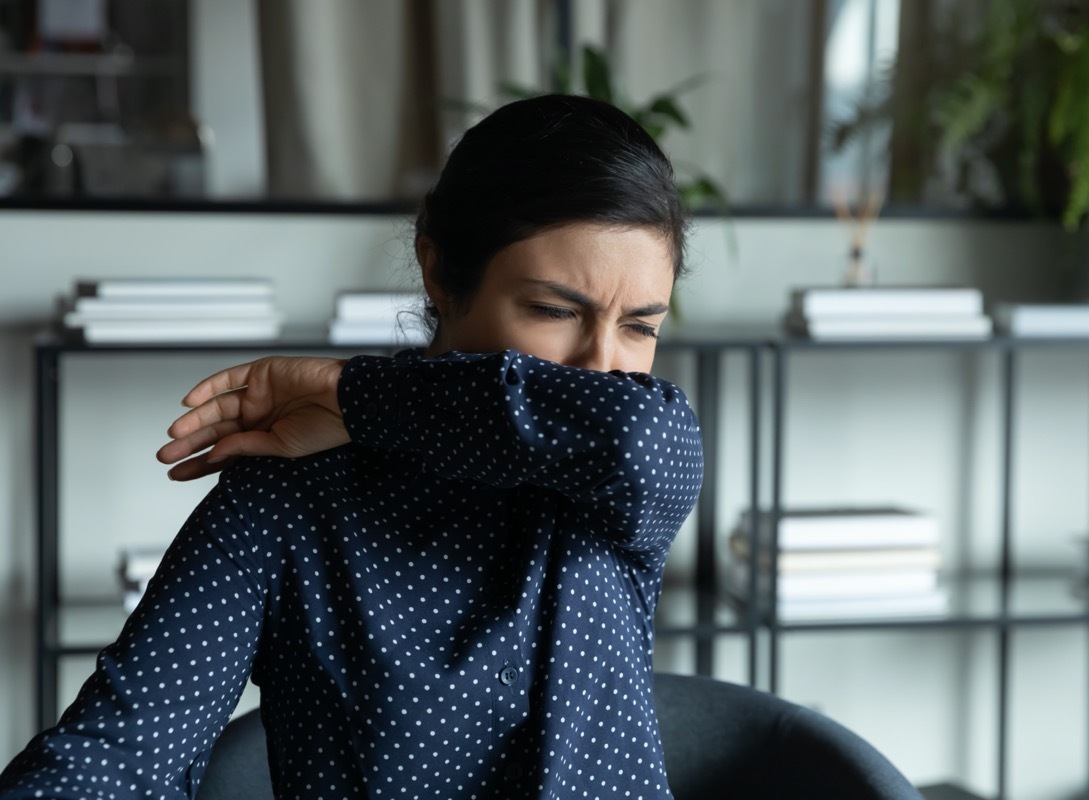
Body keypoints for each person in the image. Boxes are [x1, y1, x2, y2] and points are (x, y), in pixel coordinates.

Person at [0, 94, 704, 799]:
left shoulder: (613, 489)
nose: (602, 370)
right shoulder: (288, 493)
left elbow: (629, 431)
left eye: (641, 327)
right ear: (440, 272)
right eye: (554, 311)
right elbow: (117, 750)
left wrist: (351, 395)